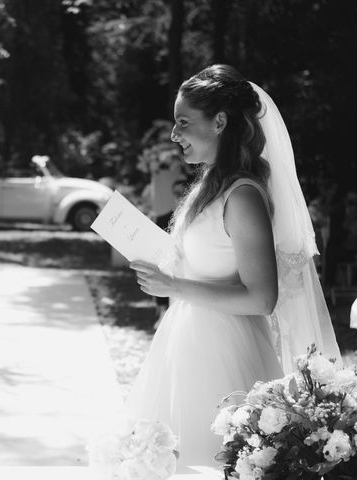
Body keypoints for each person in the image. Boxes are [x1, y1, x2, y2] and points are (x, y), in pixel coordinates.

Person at [125, 64, 341, 470]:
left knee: (211, 461)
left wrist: (173, 284)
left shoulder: (242, 196)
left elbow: (262, 297)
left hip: (224, 352)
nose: (174, 135)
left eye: (183, 122)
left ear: (220, 121)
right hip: (182, 344)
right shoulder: (209, 187)